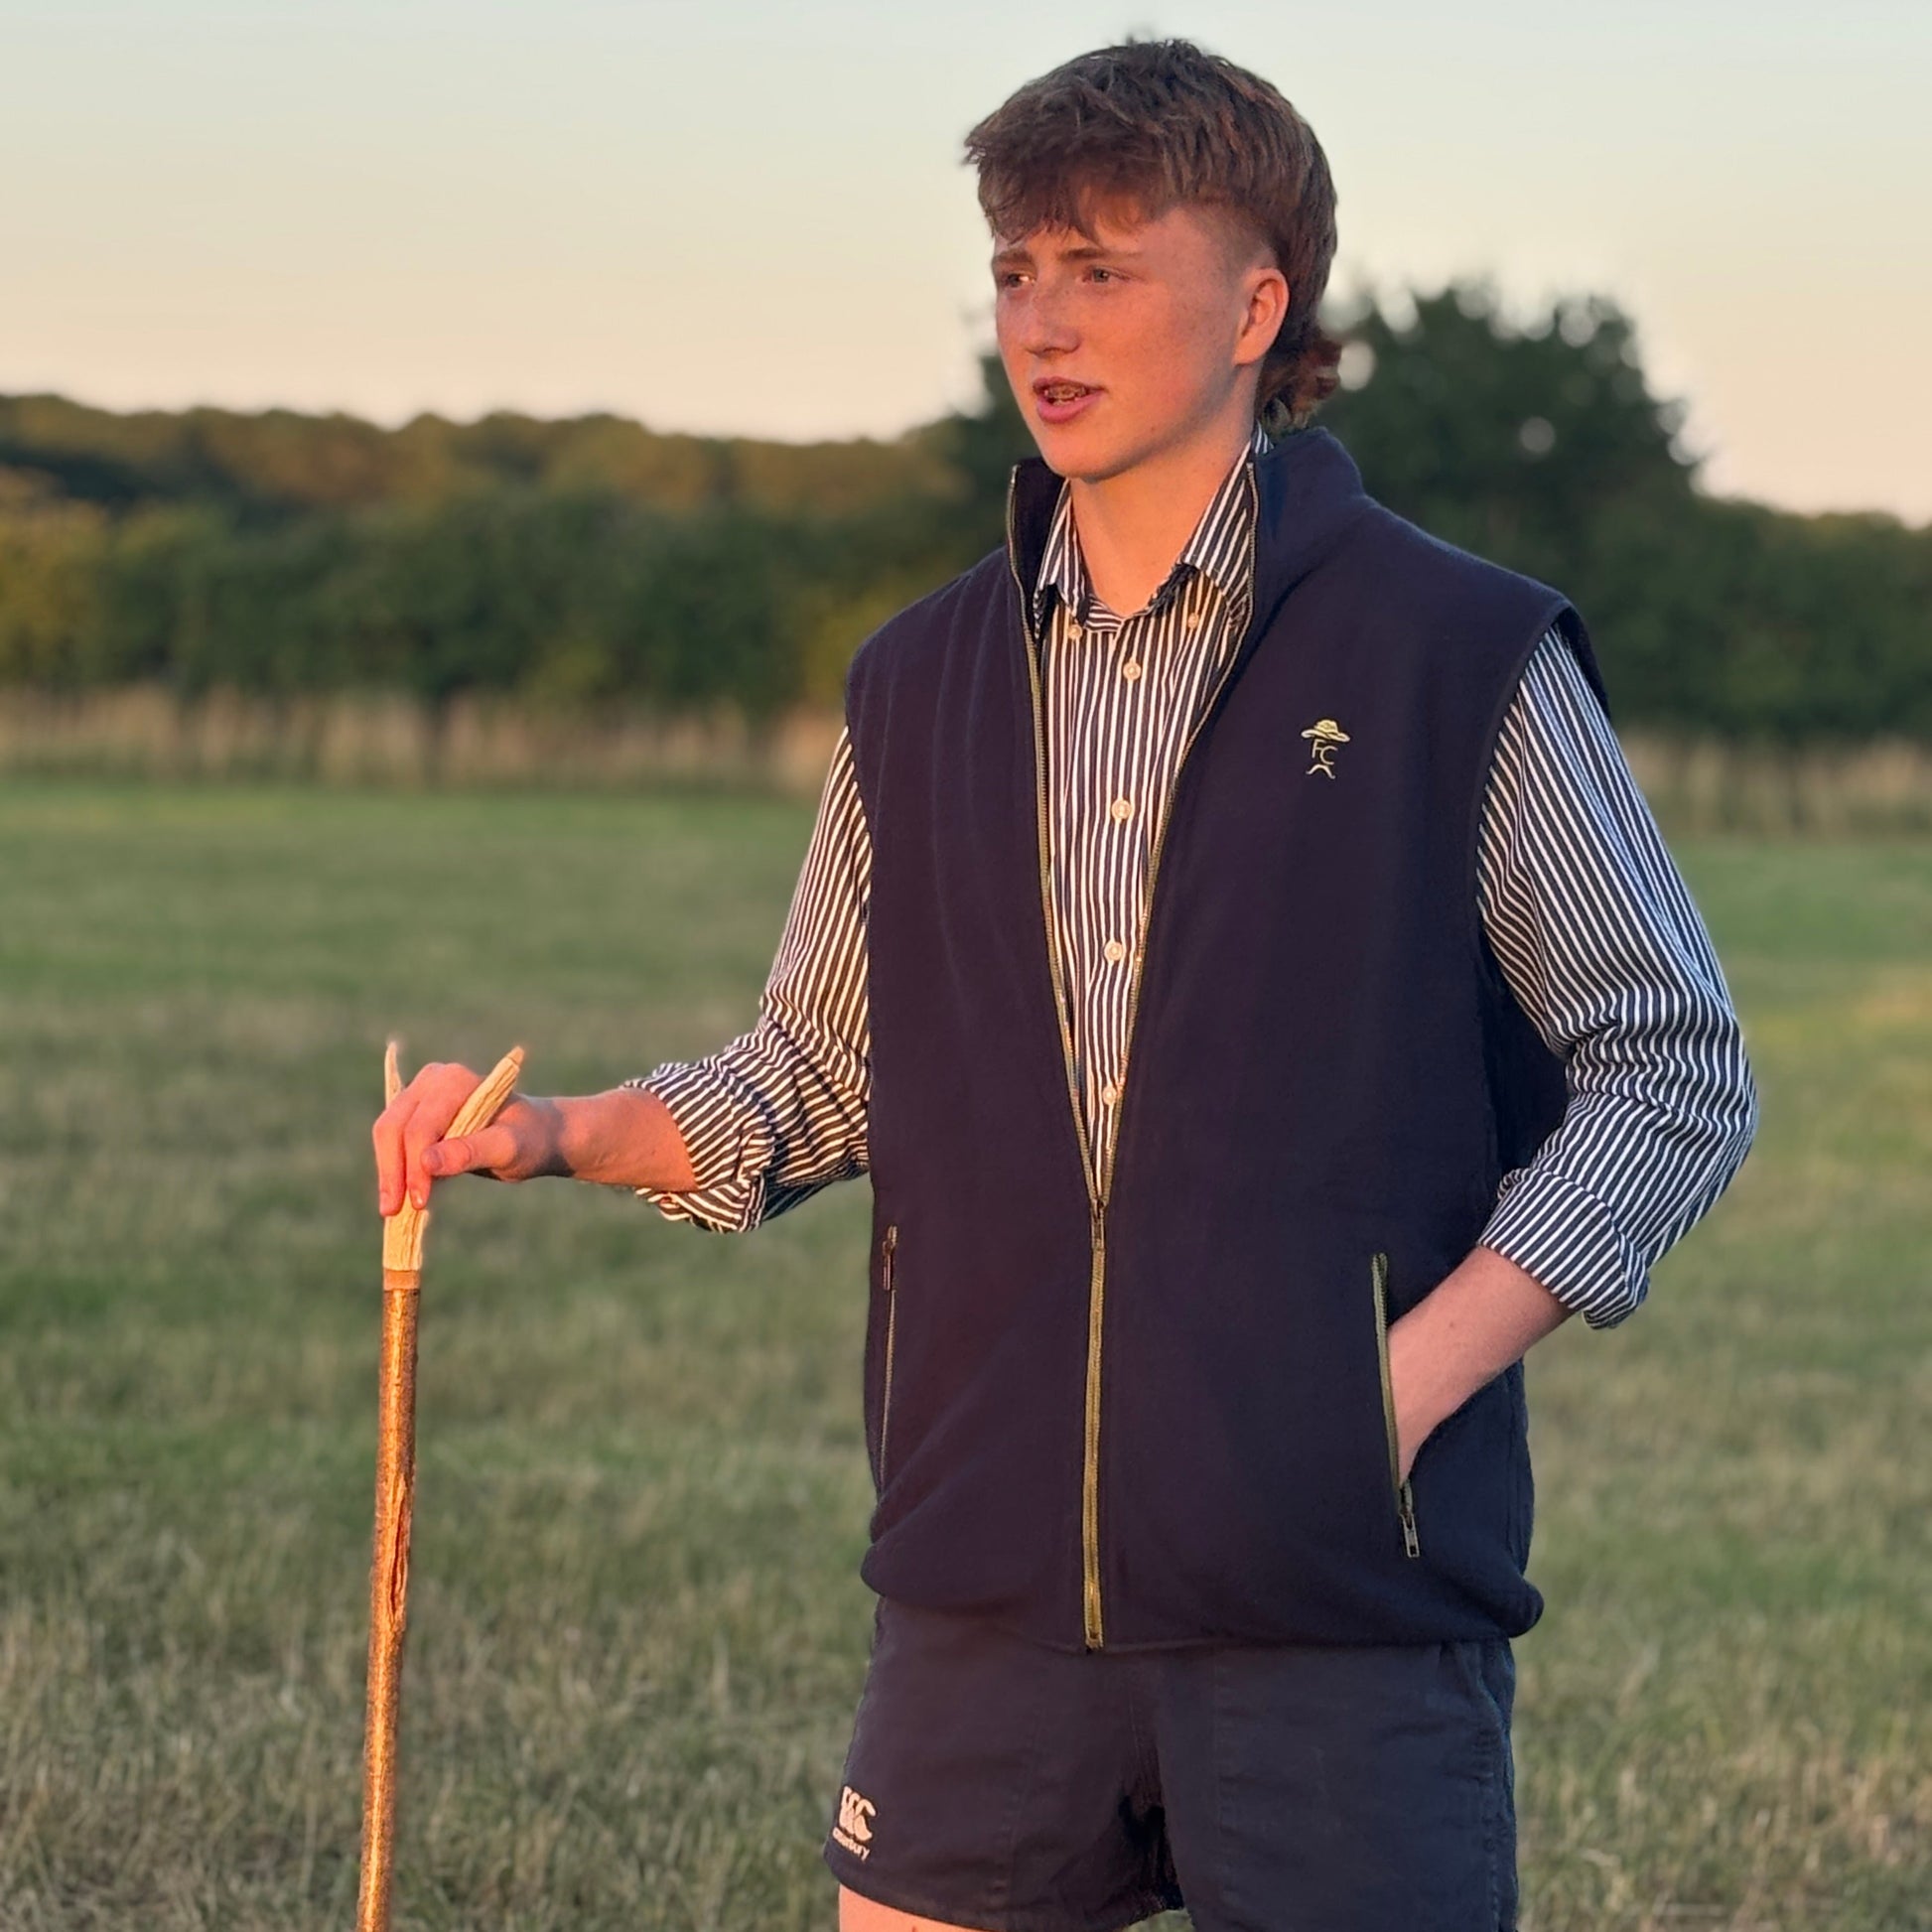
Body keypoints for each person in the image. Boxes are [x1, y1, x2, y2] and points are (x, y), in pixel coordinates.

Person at [372, 39, 1760, 1932]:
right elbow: (811, 1074)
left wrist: (1395, 1388)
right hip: (983, 1591)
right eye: (1019, 267)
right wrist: (546, 1132)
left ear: (1259, 304)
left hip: (1331, 1600)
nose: (1044, 316)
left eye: (1105, 264)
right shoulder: (915, 680)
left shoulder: (1457, 651)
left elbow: (1671, 1066)